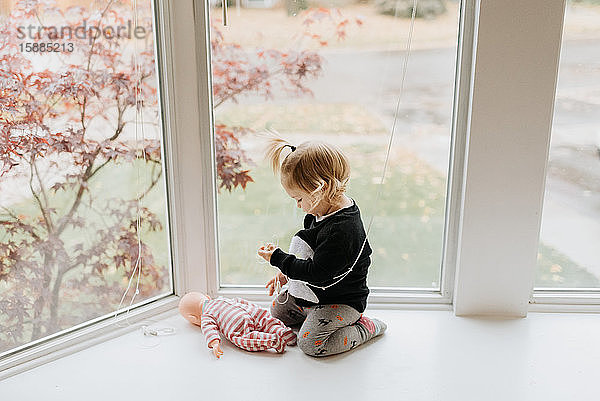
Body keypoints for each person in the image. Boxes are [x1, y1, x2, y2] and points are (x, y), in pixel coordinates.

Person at [257, 138, 386, 357]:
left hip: (340, 300)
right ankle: (312, 316)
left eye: (299, 198)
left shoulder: (343, 230)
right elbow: (308, 252)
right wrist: (285, 275)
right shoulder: (320, 210)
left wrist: (279, 259)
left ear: (320, 189)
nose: (298, 205)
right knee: (277, 312)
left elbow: (318, 274)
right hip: (315, 296)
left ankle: (365, 327)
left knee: (310, 345)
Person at [178, 292, 297, 359]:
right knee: (265, 320)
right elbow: (240, 301)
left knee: (244, 338)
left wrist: (214, 343)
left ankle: (273, 341)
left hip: (236, 323)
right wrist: (254, 309)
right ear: (207, 297)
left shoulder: (206, 315)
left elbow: (209, 330)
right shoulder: (221, 299)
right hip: (249, 311)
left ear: (194, 318)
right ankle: (283, 332)